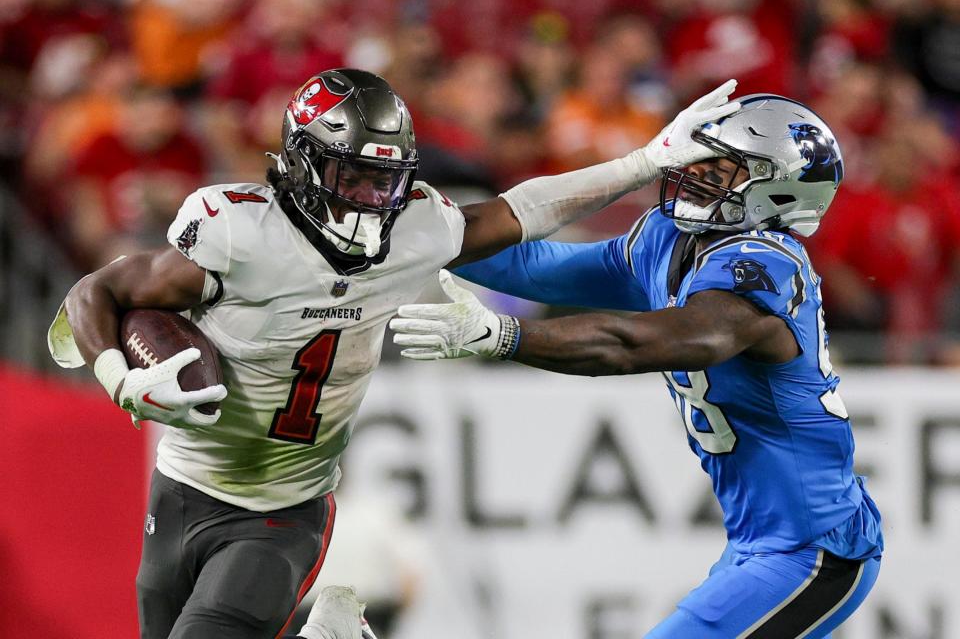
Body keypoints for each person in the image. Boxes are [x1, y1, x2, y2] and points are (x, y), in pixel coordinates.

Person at [45, 68, 740, 639]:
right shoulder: (236, 232)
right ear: (301, 163)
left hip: (284, 509)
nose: (373, 200)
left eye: (385, 181)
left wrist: (645, 162)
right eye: (353, 179)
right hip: (181, 487)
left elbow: (523, 209)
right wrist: (121, 379)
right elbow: (93, 294)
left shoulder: (413, 230)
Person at [390, 94, 883, 638]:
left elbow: (647, 343)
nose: (693, 178)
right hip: (758, 544)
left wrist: (505, 336)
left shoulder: (765, 265)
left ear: (779, 188)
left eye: (719, 170)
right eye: (696, 164)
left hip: (814, 548)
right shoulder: (668, 240)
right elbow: (538, 268)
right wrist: (417, 234)